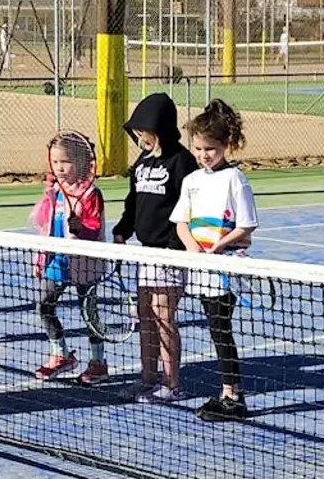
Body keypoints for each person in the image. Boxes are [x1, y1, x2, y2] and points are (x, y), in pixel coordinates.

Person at [172, 99, 257, 422]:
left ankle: (232, 396)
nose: (203, 155)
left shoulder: (235, 179)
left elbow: (246, 226)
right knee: (215, 328)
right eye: (197, 148)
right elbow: (181, 222)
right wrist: (193, 249)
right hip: (202, 269)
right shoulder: (191, 180)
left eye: (210, 148)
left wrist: (219, 247)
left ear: (226, 145)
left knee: (221, 329)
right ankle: (229, 392)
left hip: (226, 269)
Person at [113, 92, 197, 404]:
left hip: (170, 255)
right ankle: (147, 379)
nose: (139, 139)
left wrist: (174, 247)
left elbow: (189, 207)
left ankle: (171, 383)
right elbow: (134, 202)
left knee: (163, 318)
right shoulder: (142, 162)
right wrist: (123, 230)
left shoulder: (182, 162)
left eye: (143, 132)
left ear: (158, 129)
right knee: (146, 319)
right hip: (144, 254)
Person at [31, 131, 110, 386]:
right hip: (56, 262)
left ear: (83, 163)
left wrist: (80, 228)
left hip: (84, 263)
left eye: (65, 161)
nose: (59, 167)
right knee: (44, 305)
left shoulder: (91, 194)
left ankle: (98, 362)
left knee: (89, 313)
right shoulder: (54, 192)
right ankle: (61, 354)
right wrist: (41, 257)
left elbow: (93, 229)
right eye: (55, 162)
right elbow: (45, 227)